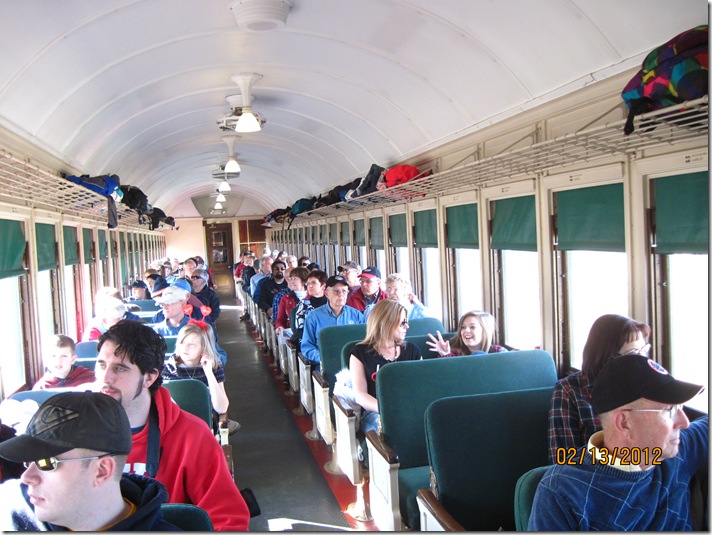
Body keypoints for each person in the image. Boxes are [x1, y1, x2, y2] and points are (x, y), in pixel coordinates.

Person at [94, 320, 250, 531]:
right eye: (101, 365)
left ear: (149, 377)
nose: (105, 377)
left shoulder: (192, 437)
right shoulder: (77, 435)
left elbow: (228, 520)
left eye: (120, 368)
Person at [529, 354, 707, 531]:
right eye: (669, 410)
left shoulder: (679, 449)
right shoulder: (561, 491)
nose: (684, 422)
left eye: (680, 407)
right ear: (624, 423)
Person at [0, 391, 178, 531]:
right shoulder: (10, 506)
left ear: (101, 471)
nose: (26, 477)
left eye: (46, 462)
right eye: (29, 461)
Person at [547, 314, 651, 463]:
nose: (642, 360)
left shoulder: (646, 386)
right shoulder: (569, 391)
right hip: (594, 474)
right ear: (607, 356)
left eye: (644, 351)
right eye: (634, 353)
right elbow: (564, 460)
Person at [350, 299, 421, 433]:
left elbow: (420, 387)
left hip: (409, 409)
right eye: (403, 323)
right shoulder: (359, 353)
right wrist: (388, 409)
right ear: (387, 323)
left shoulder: (412, 350)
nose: (407, 326)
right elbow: (360, 395)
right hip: (376, 411)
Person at [162, 321, 239, 435]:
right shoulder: (167, 369)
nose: (185, 347)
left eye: (191, 344)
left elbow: (221, 408)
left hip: (204, 427)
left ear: (203, 348)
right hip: (175, 427)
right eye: (182, 342)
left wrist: (208, 372)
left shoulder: (214, 368)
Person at [151, 286, 227, 366]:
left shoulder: (198, 329)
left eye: (169, 304)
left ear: (183, 303)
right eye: (163, 304)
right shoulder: (155, 332)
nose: (165, 307)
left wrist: (211, 362)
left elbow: (219, 355)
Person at [300, 275, 365, 369]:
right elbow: (307, 347)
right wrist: (324, 358)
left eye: (344, 291)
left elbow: (364, 343)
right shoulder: (313, 317)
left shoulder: (357, 315)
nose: (341, 294)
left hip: (352, 365)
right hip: (324, 365)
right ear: (326, 293)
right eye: (336, 291)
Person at [426, 310, 506, 357]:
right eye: (463, 327)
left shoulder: (498, 351)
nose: (466, 330)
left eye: (472, 327)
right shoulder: (454, 353)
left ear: (485, 331)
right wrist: (446, 355)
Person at [291, 269, 328, 346]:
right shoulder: (303, 305)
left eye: (313, 283)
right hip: (309, 342)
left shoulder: (331, 304)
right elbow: (300, 330)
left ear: (323, 286)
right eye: (308, 284)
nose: (310, 286)